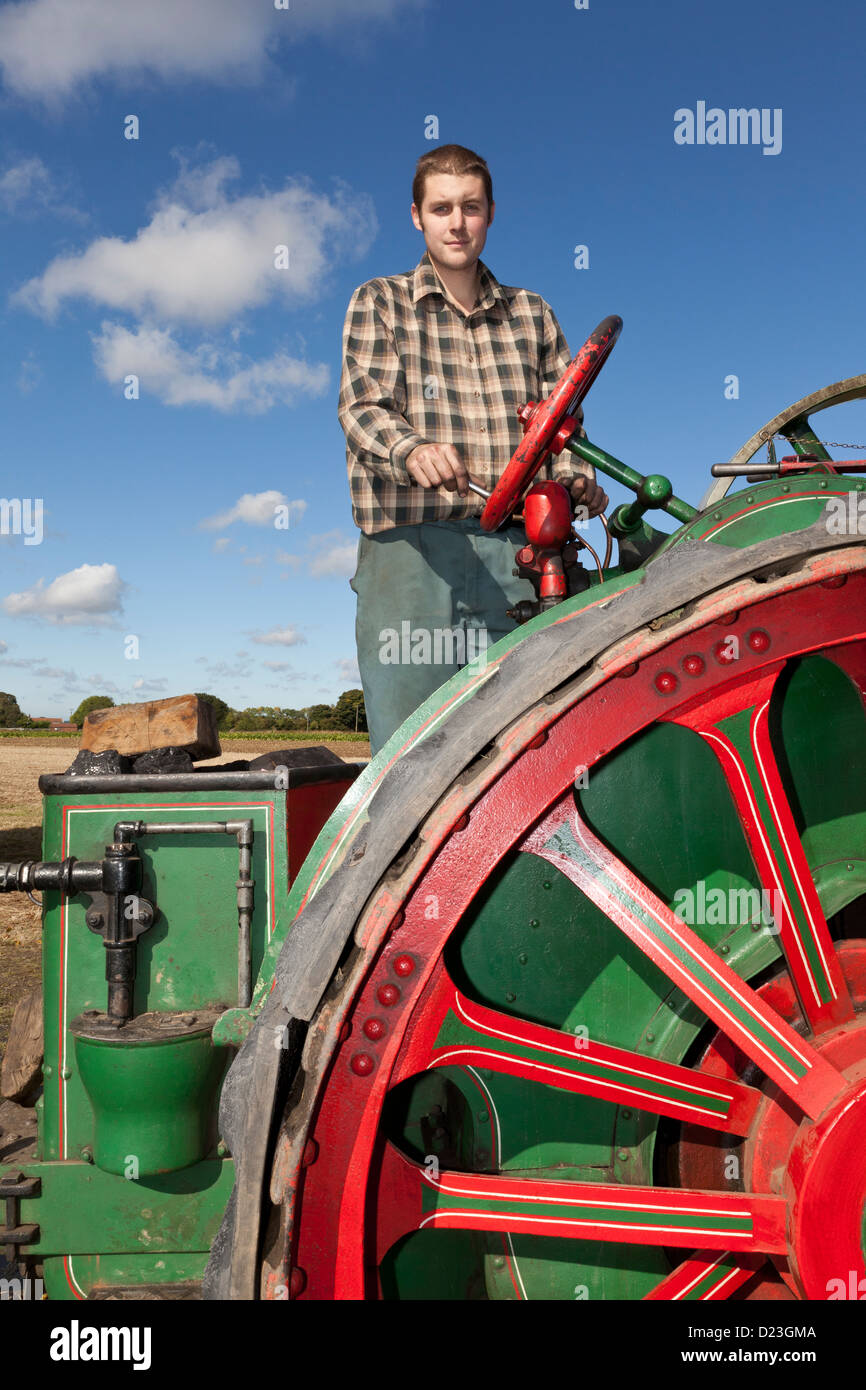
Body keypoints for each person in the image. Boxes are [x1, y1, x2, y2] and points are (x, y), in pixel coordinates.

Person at [338, 144, 608, 755]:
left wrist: (573, 480)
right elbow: (362, 407)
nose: (456, 222)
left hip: (520, 558)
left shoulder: (531, 313)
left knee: (525, 749)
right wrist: (411, 451)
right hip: (411, 559)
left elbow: (563, 425)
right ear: (417, 216)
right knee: (410, 756)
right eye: (441, 208)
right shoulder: (379, 300)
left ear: (490, 213)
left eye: (470, 207)